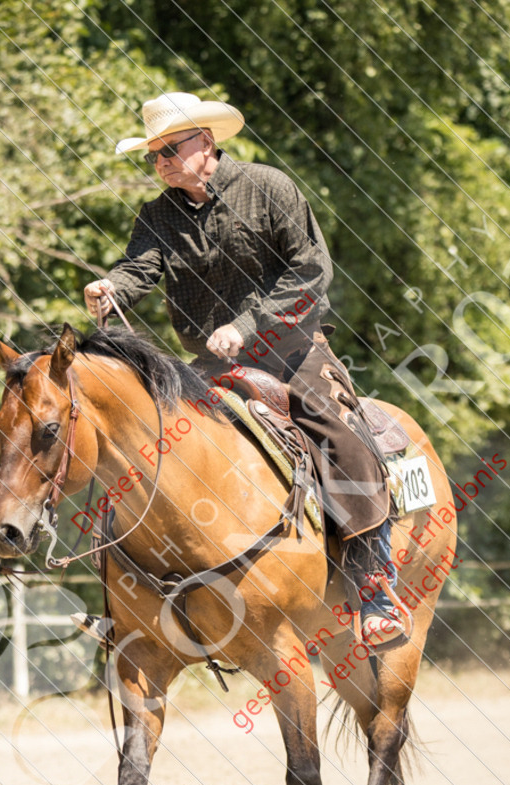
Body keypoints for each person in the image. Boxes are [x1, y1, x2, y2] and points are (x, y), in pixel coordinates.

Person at [79, 91, 406, 650]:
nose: (160, 163)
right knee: (142, 450)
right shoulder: (158, 215)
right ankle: (133, 605)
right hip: (210, 364)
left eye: (169, 150)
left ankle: (374, 587)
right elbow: (139, 267)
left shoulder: (269, 187)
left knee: (341, 437)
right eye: (153, 155)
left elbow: (310, 270)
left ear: (205, 143)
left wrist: (247, 325)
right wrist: (111, 286)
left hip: (292, 351)